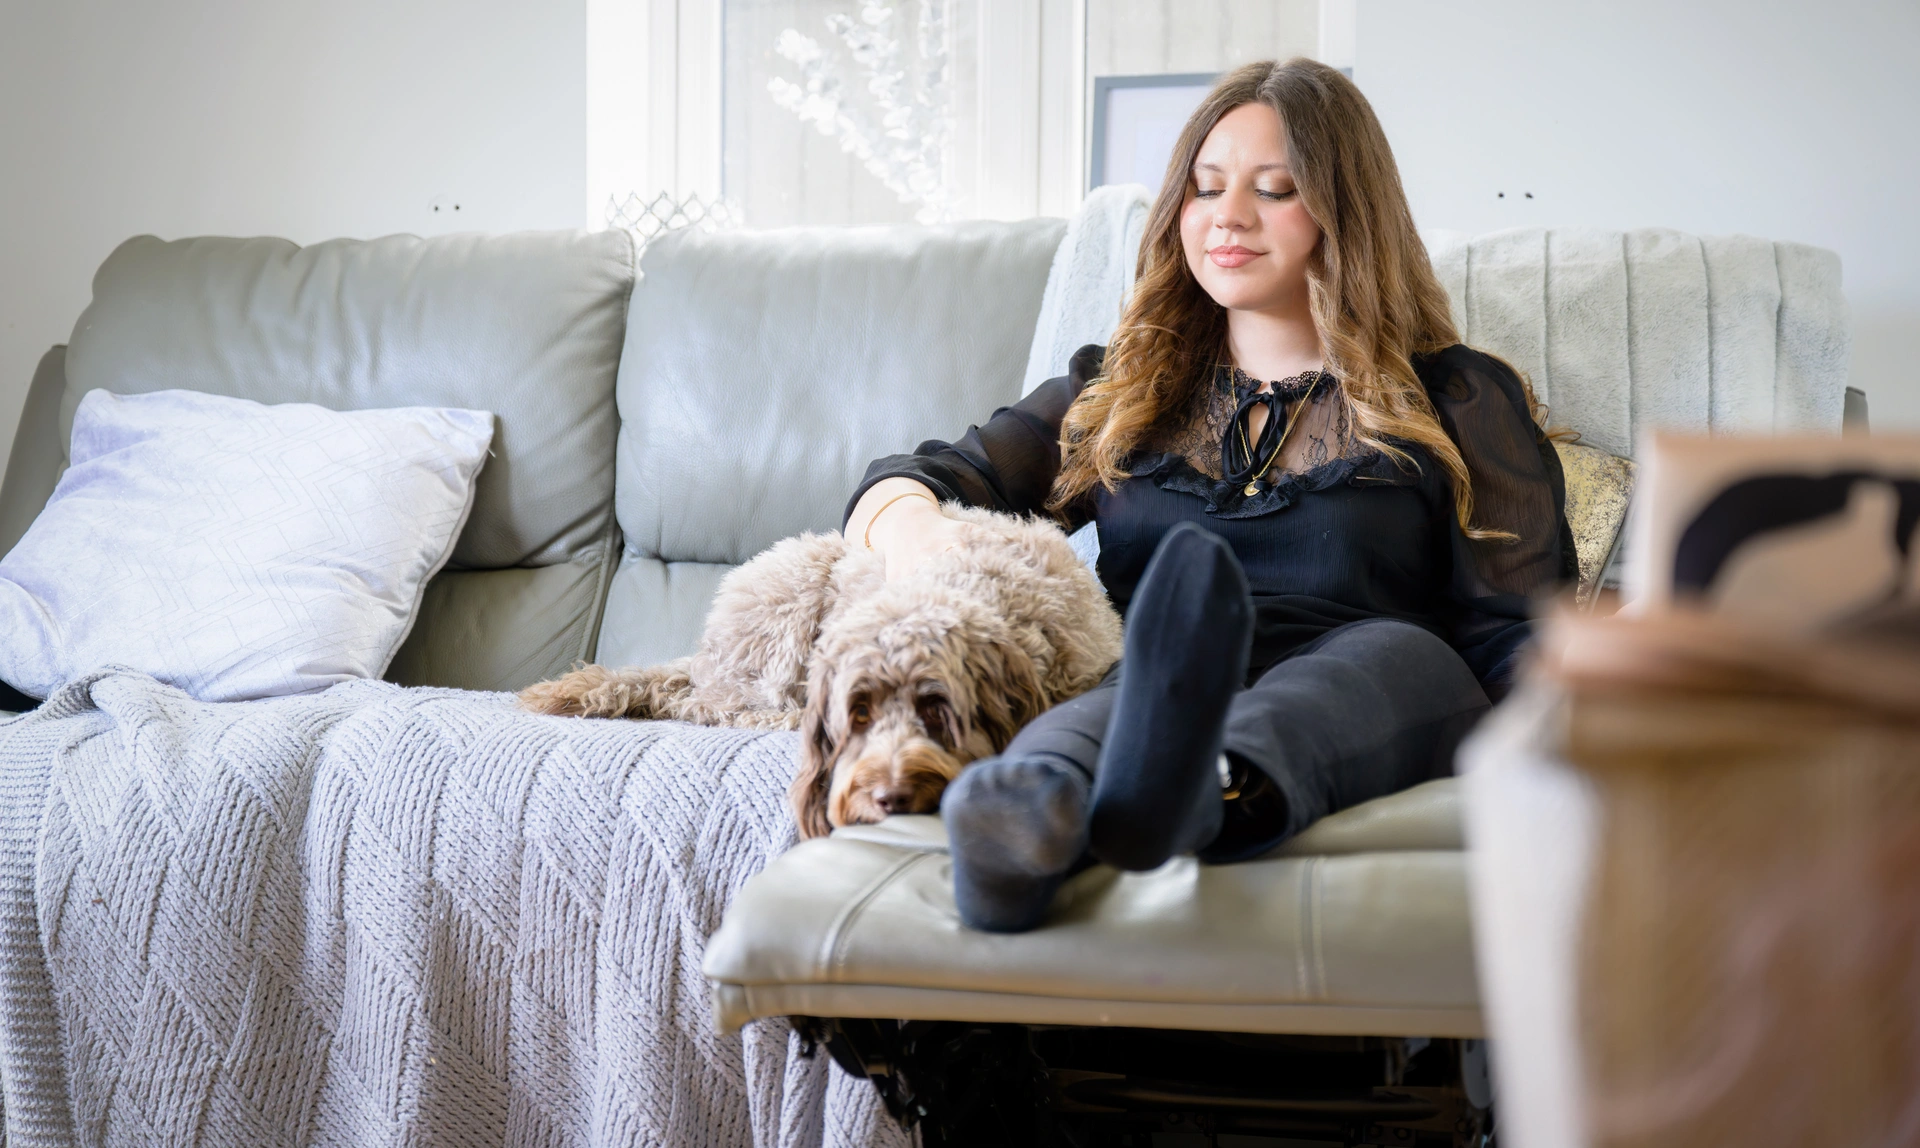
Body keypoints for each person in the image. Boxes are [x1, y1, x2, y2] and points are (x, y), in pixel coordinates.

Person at [843, 58, 1573, 933]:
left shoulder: (1456, 396)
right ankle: (1017, 818)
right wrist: (923, 539)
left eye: (1273, 190)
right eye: (1204, 187)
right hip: (1153, 679)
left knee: (1396, 654)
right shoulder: (1117, 391)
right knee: (1114, 697)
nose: (1227, 217)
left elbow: (1518, 635)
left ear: (1344, 215)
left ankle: (1203, 786)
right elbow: (911, 482)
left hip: (1370, 682)